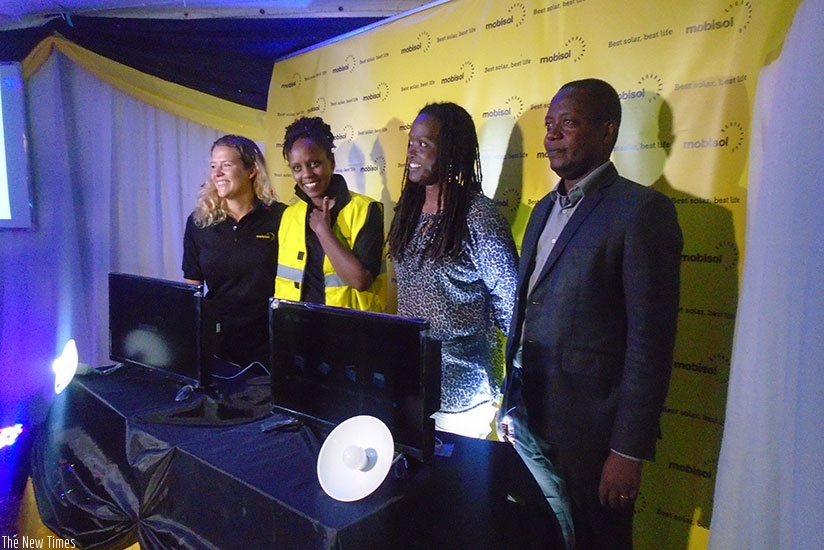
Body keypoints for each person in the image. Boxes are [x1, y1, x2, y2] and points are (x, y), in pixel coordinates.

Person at [497, 79, 683, 549]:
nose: (552, 135)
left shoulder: (642, 212)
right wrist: (508, 401)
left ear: (607, 131)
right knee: (536, 536)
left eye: (569, 123)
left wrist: (627, 451)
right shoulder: (541, 209)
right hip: (527, 415)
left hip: (593, 436)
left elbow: (651, 343)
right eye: (549, 124)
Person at [388, 102, 518, 439]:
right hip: (412, 385)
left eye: (425, 144)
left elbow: (511, 306)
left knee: (453, 488)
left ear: (451, 151)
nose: (413, 153)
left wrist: (517, 392)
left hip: (463, 394)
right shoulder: (409, 210)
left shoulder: (478, 216)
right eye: (411, 143)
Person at [183, 134, 285, 368]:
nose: (216, 173)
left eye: (226, 165)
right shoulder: (199, 223)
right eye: (213, 166)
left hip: (269, 342)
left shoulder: (280, 218)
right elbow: (191, 288)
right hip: (218, 343)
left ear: (251, 170)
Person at [275, 116, 385, 311]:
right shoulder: (289, 215)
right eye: (297, 168)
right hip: (298, 330)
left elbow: (361, 281)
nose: (306, 174)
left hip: (351, 332)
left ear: (331, 162)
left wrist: (323, 231)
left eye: (314, 163)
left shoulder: (366, 210)